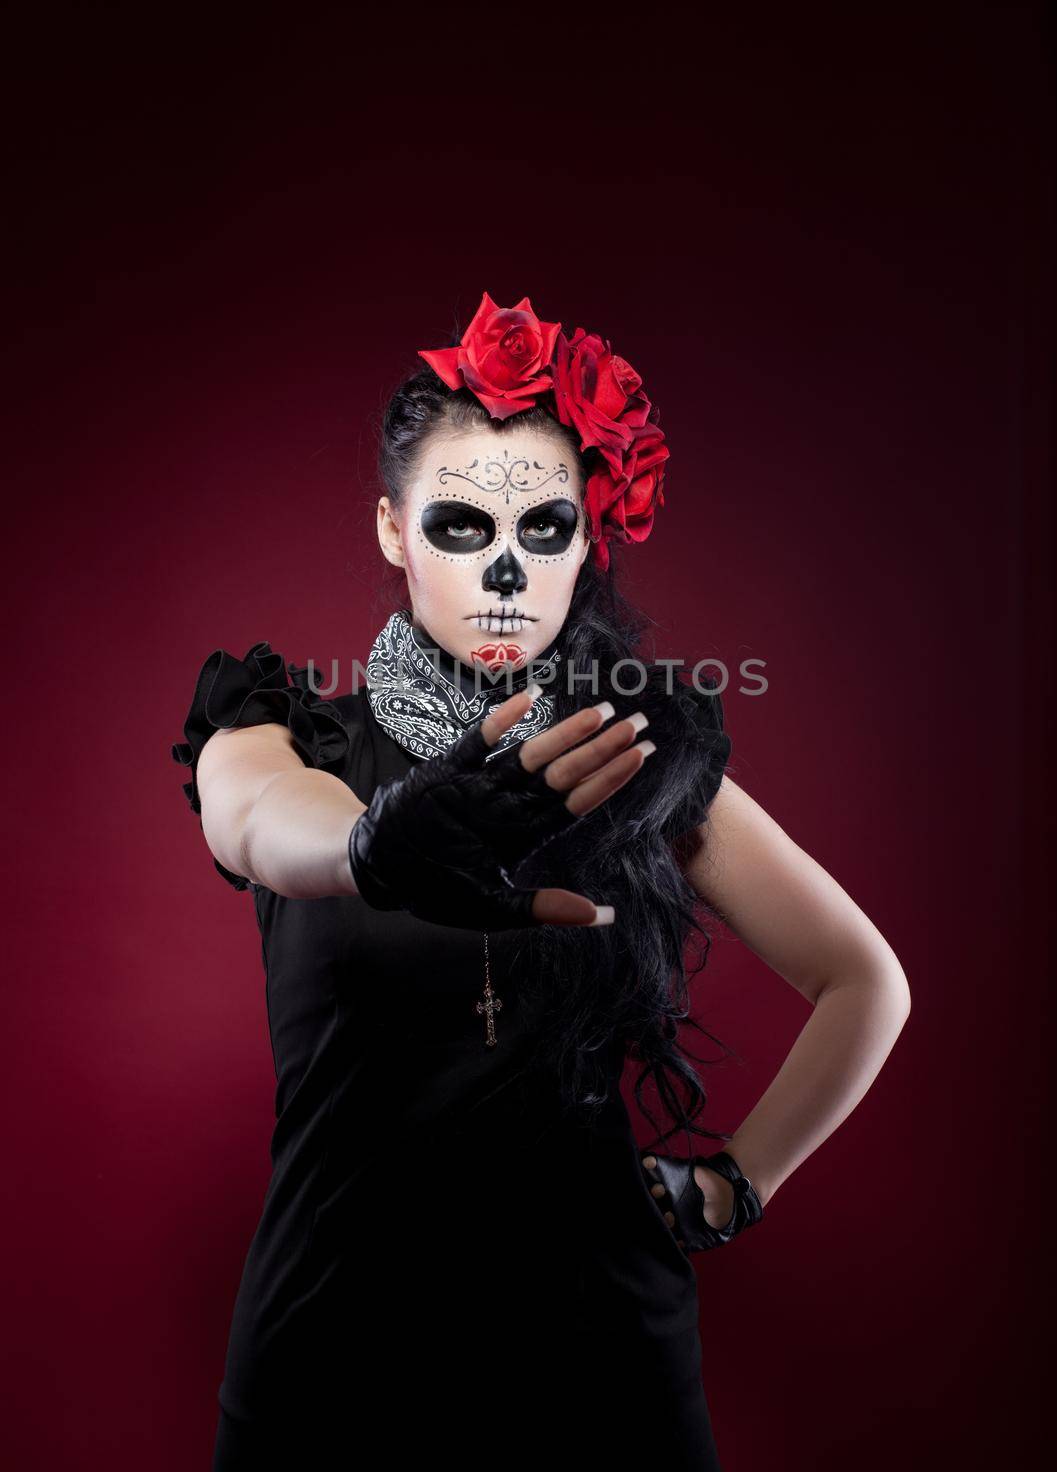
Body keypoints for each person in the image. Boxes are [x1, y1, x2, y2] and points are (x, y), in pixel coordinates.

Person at [173, 291, 912, 1470]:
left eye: (547, 526)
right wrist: (373, 847)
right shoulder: (284, 739)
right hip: (331, 1371)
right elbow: (260, 819)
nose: (509, 569)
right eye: (462, 526)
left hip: (603, 1376)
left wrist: (729, 1185)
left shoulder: (635, 763)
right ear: (390, 532)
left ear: (586, 538)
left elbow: (862, 979)